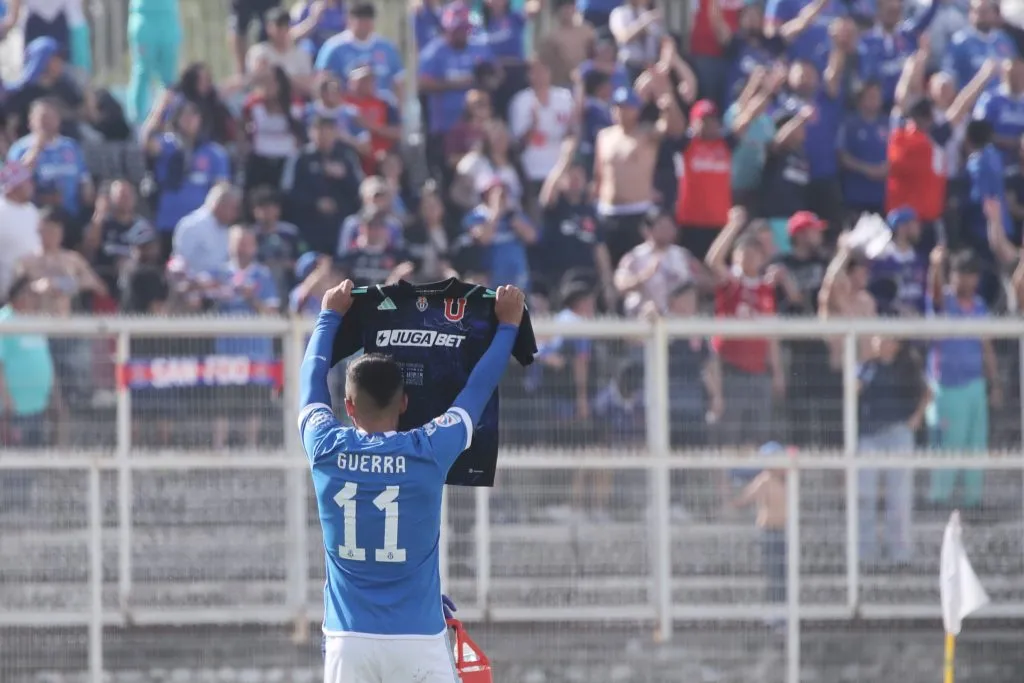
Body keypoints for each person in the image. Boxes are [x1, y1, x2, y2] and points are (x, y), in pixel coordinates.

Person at [299, 279, 525, 682]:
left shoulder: (325, 446)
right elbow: (477, 387)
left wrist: (328, 316)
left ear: (348, 405)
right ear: (404, 403)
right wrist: (508, 326)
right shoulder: (428, 450)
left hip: (347, 640)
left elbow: (311, 377)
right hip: (419, 638)